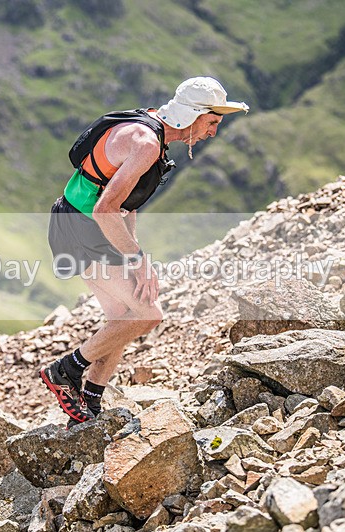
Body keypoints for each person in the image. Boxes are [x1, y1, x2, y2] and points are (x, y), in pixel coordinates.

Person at [41, 77, 248, 426]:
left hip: (88, 224)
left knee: (122, 314)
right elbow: (106, 208)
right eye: (212, 122)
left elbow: (127, 204)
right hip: (83, 227)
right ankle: (65, 370)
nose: (213, 133)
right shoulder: (147, 144)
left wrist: (133, 255)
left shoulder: (150, 125)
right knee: (147, 315)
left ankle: (90, 400)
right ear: (192, 116)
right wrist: (136, 261)